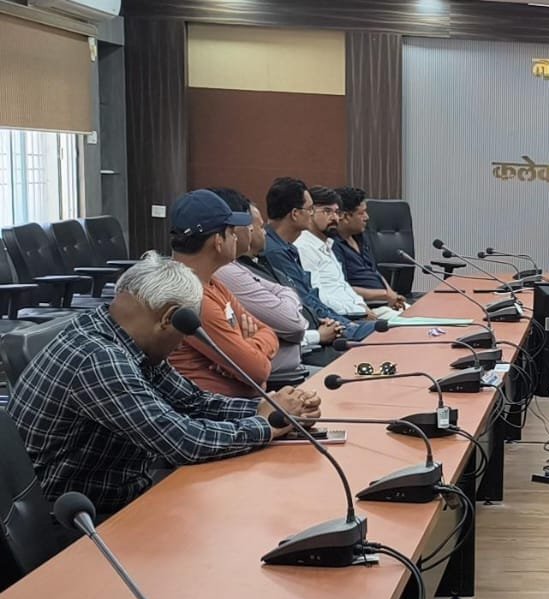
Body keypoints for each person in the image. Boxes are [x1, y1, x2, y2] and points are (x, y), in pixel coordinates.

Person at [9, 253, 320, 514]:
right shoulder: (99, 358)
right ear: (169, 318)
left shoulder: (123, 336)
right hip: (80, 519)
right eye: (184, 333)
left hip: (124, 495)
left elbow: (194, 402)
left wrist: (274, 407)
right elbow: (182, 441)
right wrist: (265, 425)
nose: (183, 342)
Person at [163, 190, 281, 397]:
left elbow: (268, 332)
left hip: (239, 404)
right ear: (218, 241)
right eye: (232, 232)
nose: (236, 238)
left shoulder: (213, 283)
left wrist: (247, 347)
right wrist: (246, 354)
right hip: (211, 411)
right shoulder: (192, 297)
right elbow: (257, 371)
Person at [211, 188, 344, 371]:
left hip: (294, 358)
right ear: (218, 238)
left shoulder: (241, 264)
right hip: (283, 370)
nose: (262, 232)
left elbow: (288, 296)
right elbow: (293, 323)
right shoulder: (227, 271)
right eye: (255, 227)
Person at [259, 177, 373, 343]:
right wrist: (347, 327)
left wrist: (345, 324)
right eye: (310, 209)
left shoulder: (288, 248)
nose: (312, 214)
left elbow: (312, 297)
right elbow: (304, 302)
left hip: (326, 325)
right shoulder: (275, 251)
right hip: (310, 336)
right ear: (295, 214)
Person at [295, 186, 394, 320]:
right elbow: (318, 297)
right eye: (327, 211)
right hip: (342, 318)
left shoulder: (327, 245)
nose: (335, 218)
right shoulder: (304, 247)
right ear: (310, 212)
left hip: (358, 312)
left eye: (337, 212)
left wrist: (362, 307)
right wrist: (359, 312)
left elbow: (343, 286)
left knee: (414, 319)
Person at [332, 186, 406, 310]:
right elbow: (342, 288)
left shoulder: (360, 237)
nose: (367, 217)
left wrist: (391, 294)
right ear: (345, 216)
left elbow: (374, 271)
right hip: (366, 307)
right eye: (361, 213)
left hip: (385, 303)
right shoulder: (333, 245)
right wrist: (384, 295)